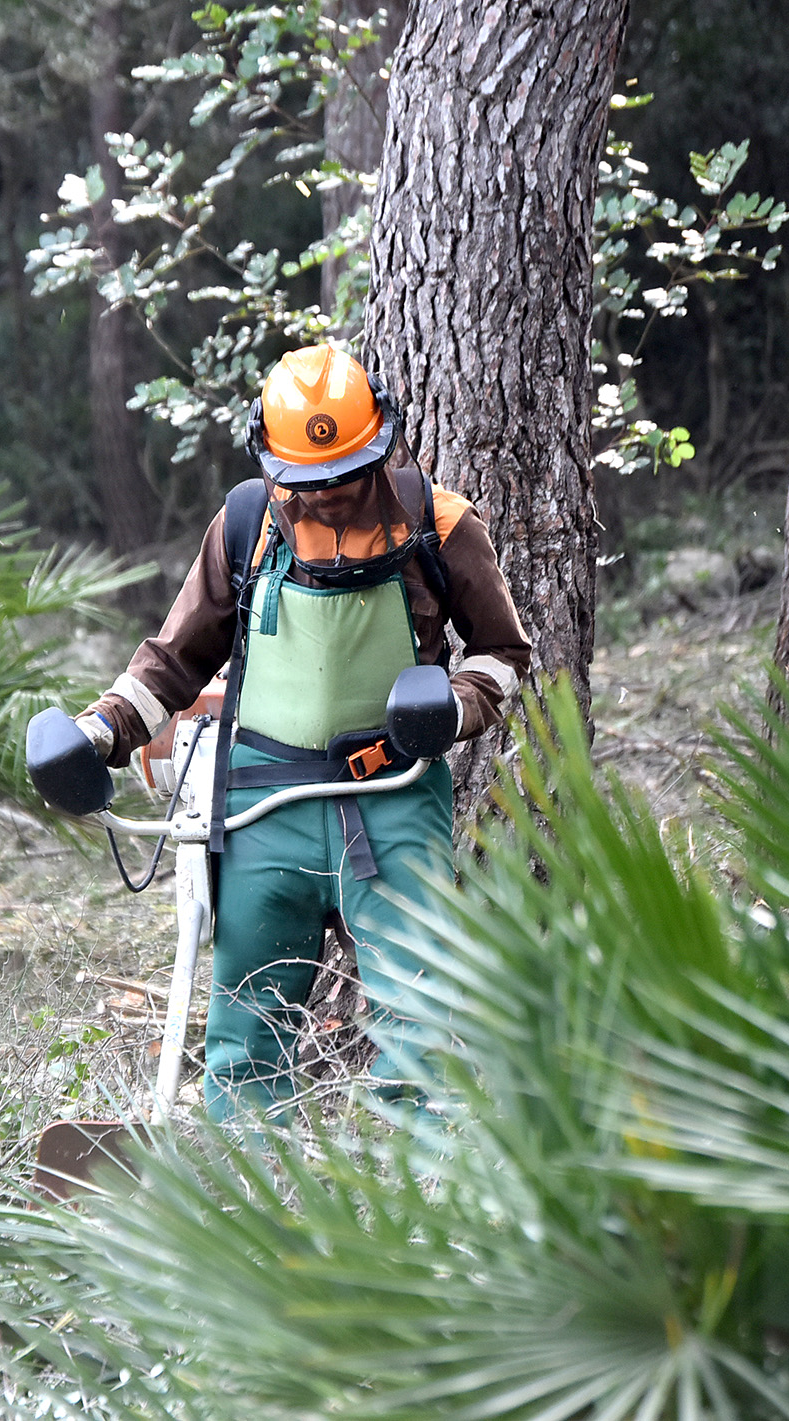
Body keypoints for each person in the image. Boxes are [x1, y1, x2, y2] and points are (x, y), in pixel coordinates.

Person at [71, 344, 532, 1121]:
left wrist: (454, 706)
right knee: (246, 1033)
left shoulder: (439, 526)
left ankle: (419, 1200)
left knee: (419, 1018)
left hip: (389, 793)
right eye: (308, 483)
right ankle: (251, 1207)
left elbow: (504, 654)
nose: (327, 497)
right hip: (263, 805)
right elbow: (172, 662)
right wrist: (100, 731)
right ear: (272, 462)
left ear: (380, 445)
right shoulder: (246, 525)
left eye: (346, 477)